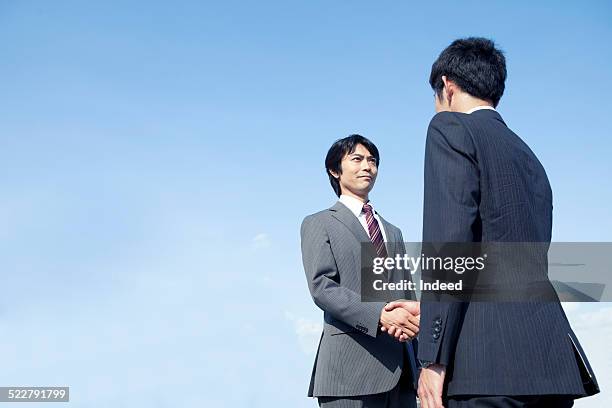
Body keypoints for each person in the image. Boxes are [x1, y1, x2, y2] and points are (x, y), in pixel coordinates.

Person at [394, 37, 599, 408]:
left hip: (484, 366)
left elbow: (451, 244)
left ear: (447, 86)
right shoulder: (528, 155)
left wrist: (433, 356)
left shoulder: (449, 128)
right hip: (551, 365)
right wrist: (432, 306)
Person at [300, 135, 420, 408]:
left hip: (402, 372)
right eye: (357, 159)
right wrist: (379, 315)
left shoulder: (393, 231)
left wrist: (422, 364)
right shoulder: (319, 223)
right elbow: (322, 286)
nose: (367, 166)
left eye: (372, 161)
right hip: (349, 370)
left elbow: (407, 295)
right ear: (334, 170)